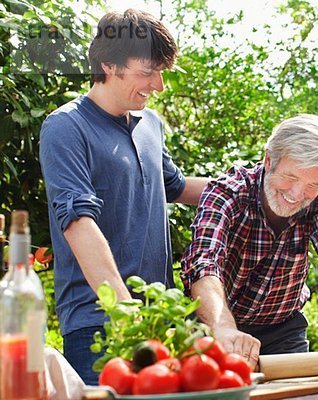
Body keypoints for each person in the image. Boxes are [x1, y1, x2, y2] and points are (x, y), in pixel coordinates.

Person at [39, 9, 209, 385]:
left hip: (161, 319)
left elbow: (175, 186)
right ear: (108, 64)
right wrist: (125, 310)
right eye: (148, 71)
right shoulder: (66, 127)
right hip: (100, 325)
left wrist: (257, 186)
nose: (159, 85)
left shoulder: (151, 124)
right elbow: (78, 224)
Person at [180, 114, 318, 371]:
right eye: (291, 178)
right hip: (216, 324)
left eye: (312, 184)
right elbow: (203, 263)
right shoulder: (227, 192)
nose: (298, 194)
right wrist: (222, 327)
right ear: (269, 160)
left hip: (284, 333)